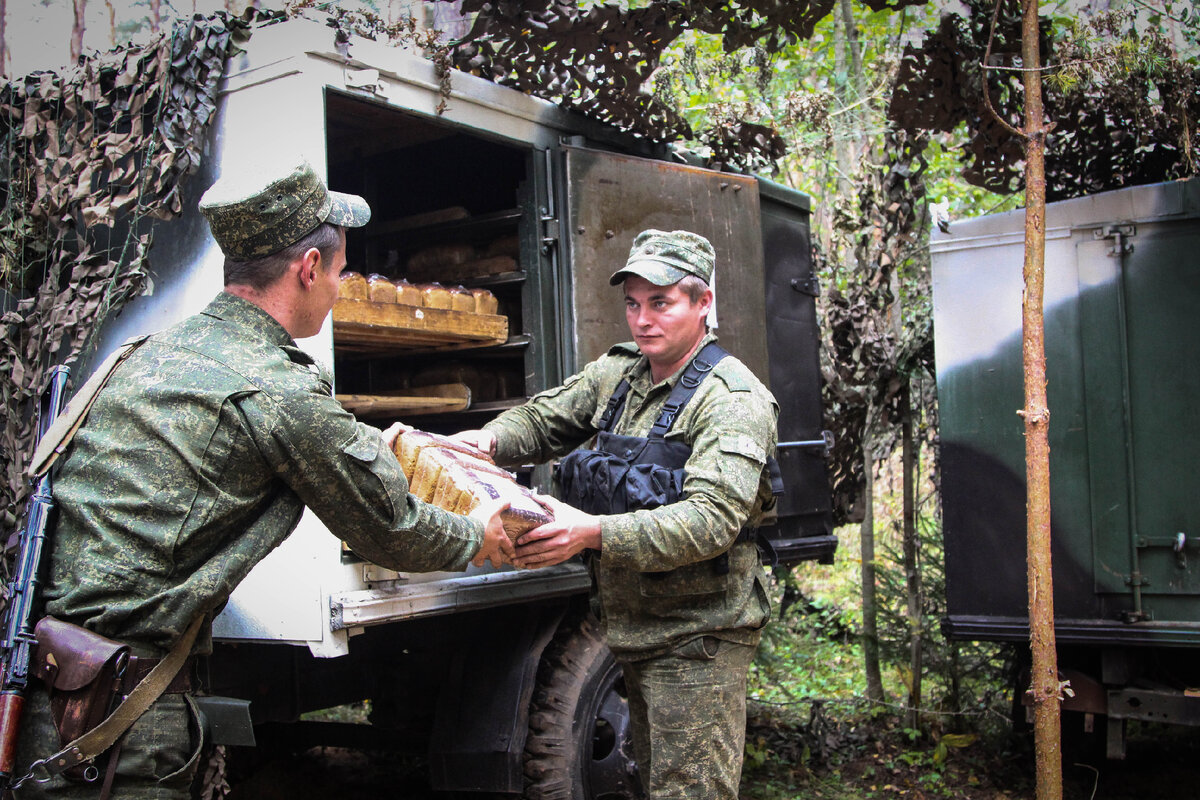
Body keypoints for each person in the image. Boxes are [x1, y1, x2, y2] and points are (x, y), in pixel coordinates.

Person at [13, 157, 513, 798]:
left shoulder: (146, 355)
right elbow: (391, 528)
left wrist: (365, 447)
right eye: (338, 273)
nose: (338, 290)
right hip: (128, 718)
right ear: (308, 270)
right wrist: (476, 535)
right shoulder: (277, 387)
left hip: (54, 688)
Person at [453, 229, 779, 799]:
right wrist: (487, 441)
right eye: (633, 303)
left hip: (699, 636)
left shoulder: (731, 400)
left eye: (661, 302)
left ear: (703, 304)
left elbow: (710, 521)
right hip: (634, 630)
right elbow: (544, 420)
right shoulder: (620, 374)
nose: (642, 320)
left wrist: (591, 532)